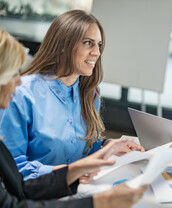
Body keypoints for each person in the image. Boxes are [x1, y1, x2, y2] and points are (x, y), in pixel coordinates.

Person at [0, 28, 148, 208]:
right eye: (12, 74)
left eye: (99, 45)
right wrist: (101, 201)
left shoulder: (88, 91)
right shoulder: (26, 94)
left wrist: (83, 164)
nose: (18, 82)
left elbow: (19, 188)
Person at [0, 10, 144, 180]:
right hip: (36, 198)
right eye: (88, 43)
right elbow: (12, 169)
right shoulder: (20, 94)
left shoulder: (90, 94)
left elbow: (80, 146)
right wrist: (70, 172)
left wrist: (106, 146)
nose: (97, 52)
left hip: (79, 189)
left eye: (99, 44)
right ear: (63, 45)